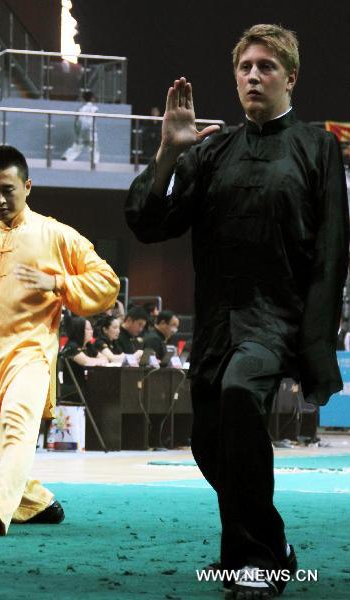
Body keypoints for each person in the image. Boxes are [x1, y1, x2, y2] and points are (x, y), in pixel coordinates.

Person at [125, 24, 349, 599]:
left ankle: (251, 563)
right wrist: (170, 151)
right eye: (245, 66)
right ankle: (275, 548)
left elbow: (330, 255)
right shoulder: (212, 148)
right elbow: (151, 223)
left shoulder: (318, 148)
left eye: (266, 66)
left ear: (290, 77)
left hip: (278, 317)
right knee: (208, 442)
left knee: (239, 393)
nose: (253, 75)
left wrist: (315, 344)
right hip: (217, 321)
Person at [0, 144, 119, 539]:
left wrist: (59, 283)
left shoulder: (55, 235)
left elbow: (106, 282)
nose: (0, 199)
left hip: (31, 355)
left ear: (28, 186)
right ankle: (36, 502)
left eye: (8, 189)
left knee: (16, 431)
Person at [61, 314, 108, 395]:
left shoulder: (88, 345)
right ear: (79, 330)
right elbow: (87, 362)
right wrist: (98, 361)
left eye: (91, 329)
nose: (92, 331)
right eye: (88, 329)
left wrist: (97, 361)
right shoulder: (71, 346)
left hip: (85, 384)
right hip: (73, 388)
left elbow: (105, 359)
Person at [62, 90, 100, 163]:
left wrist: (77, 131)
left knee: (77, 145)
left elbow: (77, 121)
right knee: (94, 147)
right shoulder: (95, 108)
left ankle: (67, 157)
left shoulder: (80, 109)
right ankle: (94, 162)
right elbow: (93, 120)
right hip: (91, 130)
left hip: (81, 130)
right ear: (92, 98)